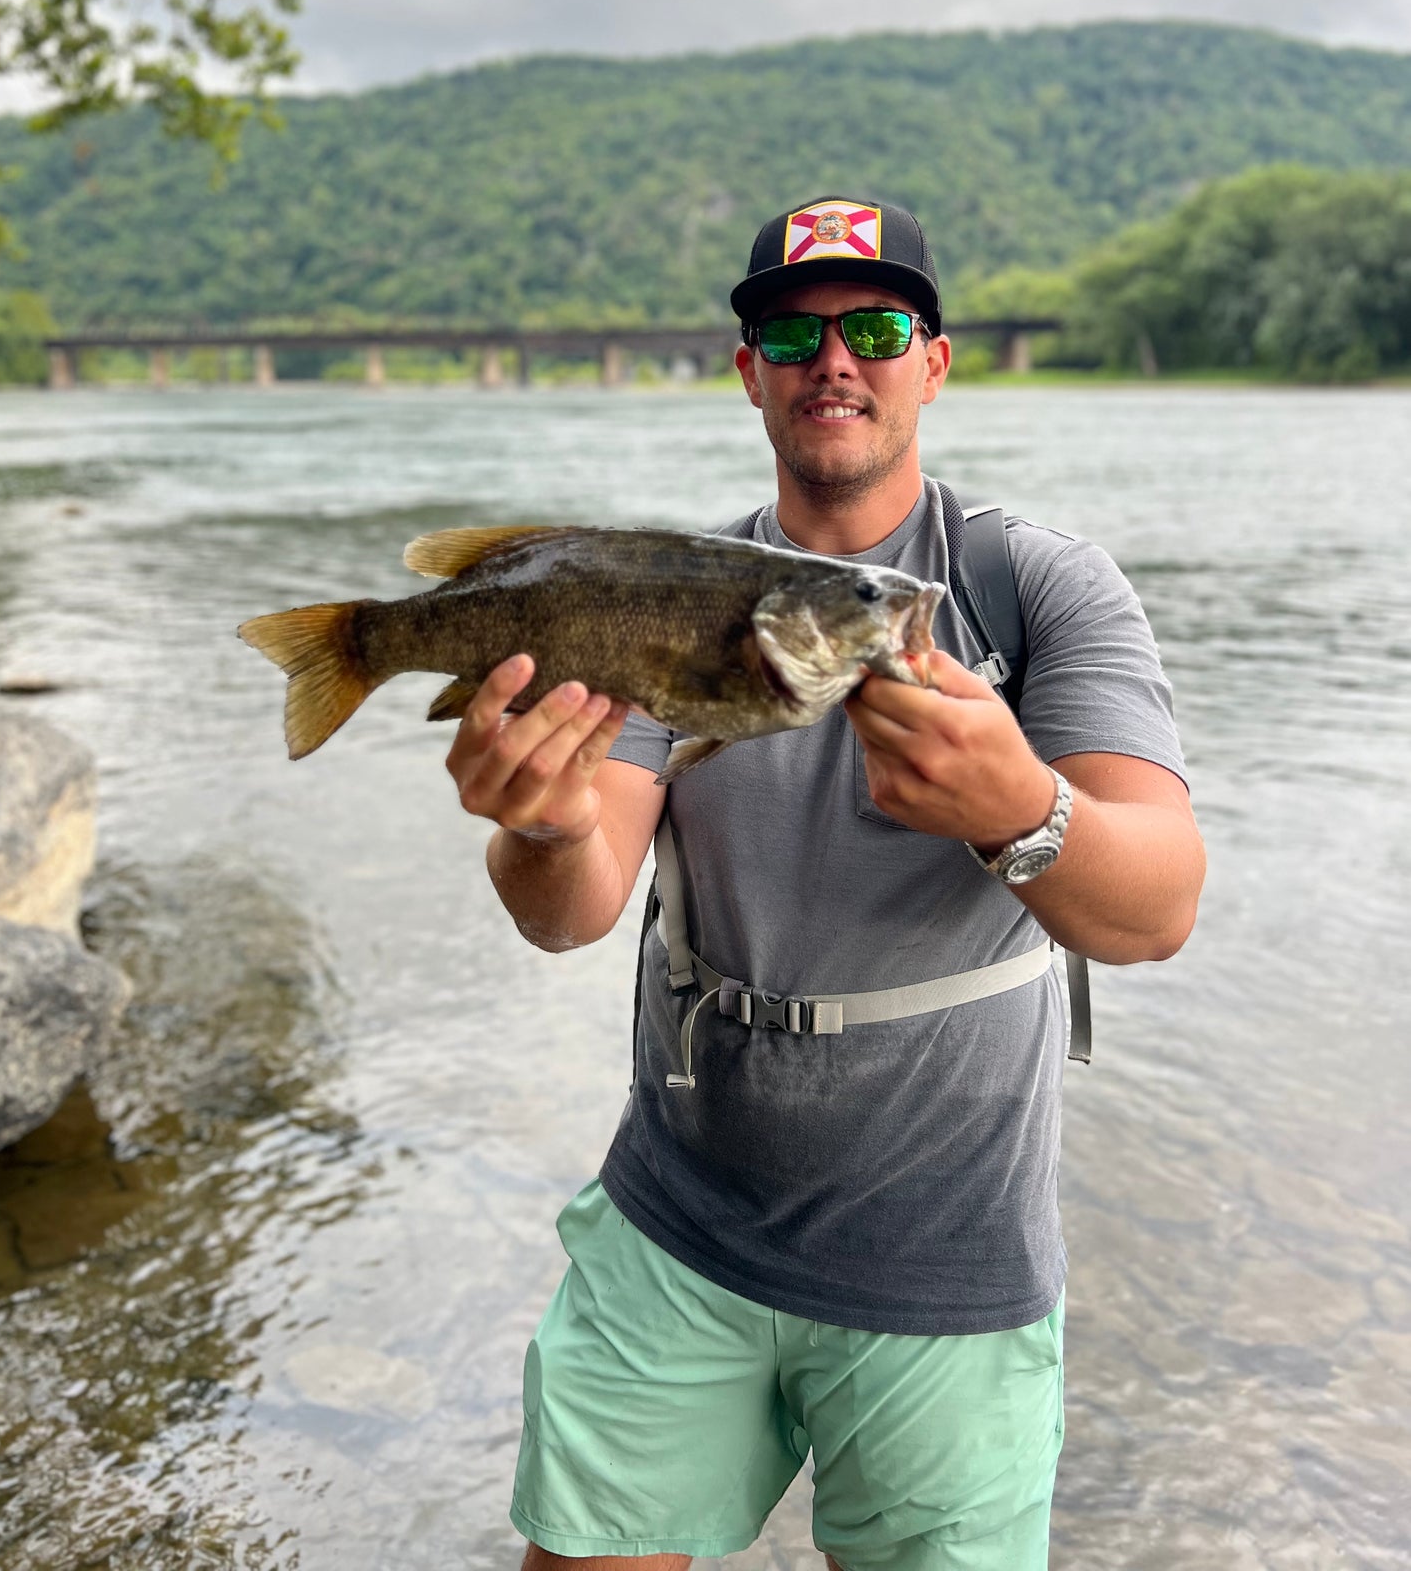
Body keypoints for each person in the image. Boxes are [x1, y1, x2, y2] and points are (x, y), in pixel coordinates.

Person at [444, 197, 1205, 1571]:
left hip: (950, 1255)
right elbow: (574, 908)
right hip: (676, 1223)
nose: (833, 359)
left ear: (933, 360)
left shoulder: (1038, 591)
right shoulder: (665, 595)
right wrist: (544, 827)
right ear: (751, 374)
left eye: (875, 326)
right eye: (792, 331)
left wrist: (1018, 809)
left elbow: (1155, 908)